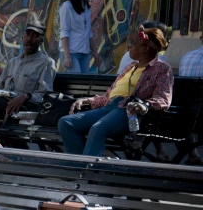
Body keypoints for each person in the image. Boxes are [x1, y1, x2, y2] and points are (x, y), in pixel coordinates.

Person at [58, 25, 173, 157]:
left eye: (134, 43)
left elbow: (163, 98)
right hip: (110, 107)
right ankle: (80, 167)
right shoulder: (131, 67)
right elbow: (108, 96)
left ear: (146, 48)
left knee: (98, 129)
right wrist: (88, 100)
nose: (130, 46)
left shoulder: (162, 69)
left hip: (128, 110)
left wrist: (145, 105)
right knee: (66, 123)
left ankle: (87, 171)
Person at [59, 0, 101, 73]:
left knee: (83, 84)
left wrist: (95, 53)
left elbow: (88, 32)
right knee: (76, 83)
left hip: (84, 52)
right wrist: (67, 55)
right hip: (71, 53)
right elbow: (64, 31)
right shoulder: (67, 6)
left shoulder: (86, 6)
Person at [177, 31, 203, 165]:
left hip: (182, 116)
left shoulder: (186, 57)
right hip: (199, 117)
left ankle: (192, 154)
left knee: (190, 107)